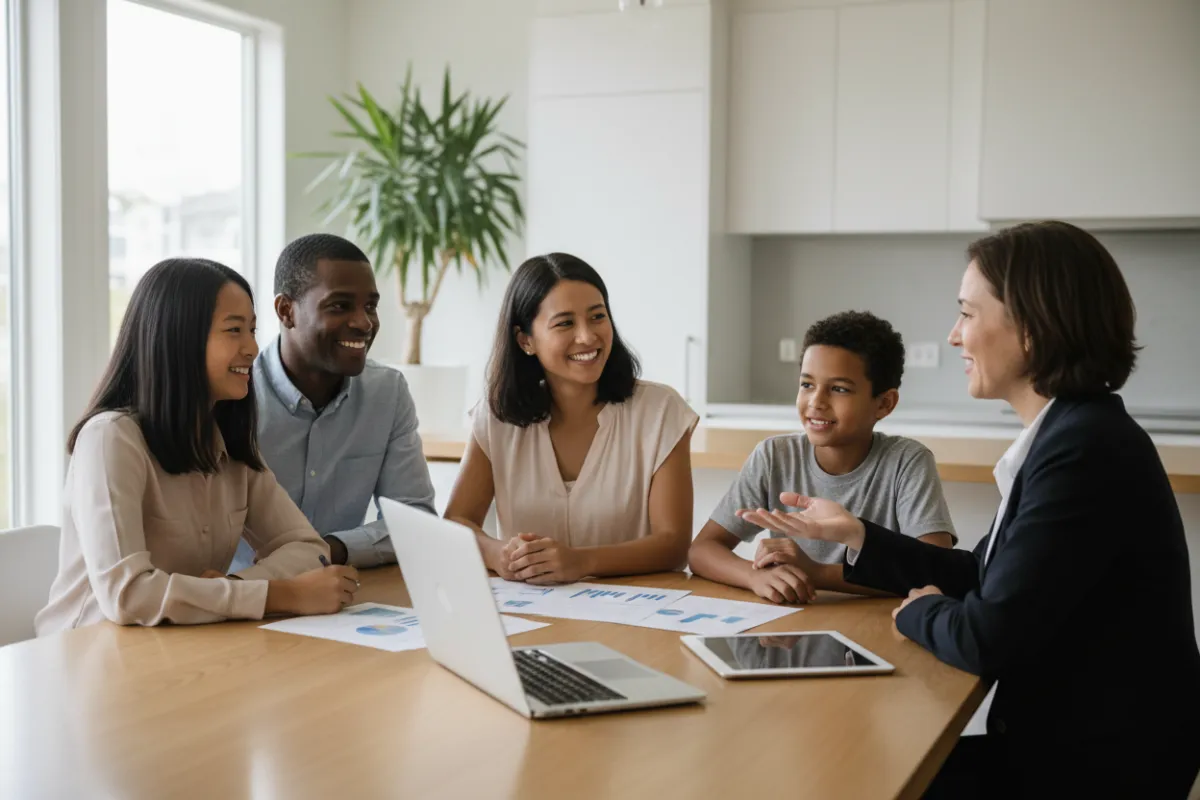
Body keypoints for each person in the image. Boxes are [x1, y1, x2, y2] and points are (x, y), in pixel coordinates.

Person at [737, 222, 1200, 797]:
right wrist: (858, 534)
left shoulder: (1083, 451)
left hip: (1094, 767)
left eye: (967, 313)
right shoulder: (1072, 434)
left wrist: (916, 613)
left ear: (1031, 329)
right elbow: (981, 575)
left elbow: (986, 636)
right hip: (1070, 746)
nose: (955, 336)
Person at [36, 258, 360, 636]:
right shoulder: (111, 438)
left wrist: (237, 589)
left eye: (252, 329)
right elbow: (127, 594)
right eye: (234, 330)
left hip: (181, 648)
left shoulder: (227, 444)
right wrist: (278, 594)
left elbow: (307, 547)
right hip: (88, 657)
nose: (253, 348)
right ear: (178, 338)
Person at [444, 252, 697, 584]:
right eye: (565, 323)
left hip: (633, 617)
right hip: (532, 613)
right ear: (525, 341)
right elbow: (457, 521)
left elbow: (673, 545)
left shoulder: (660, 410)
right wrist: (497, 554)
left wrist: (582, 561)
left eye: (597, 317)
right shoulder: (497, 418)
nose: (588, 336)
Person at [689, 311, 955, 604]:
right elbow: (702, 550)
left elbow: (937, 573)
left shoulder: (907, 462)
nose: (816, 402)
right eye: (807, 385)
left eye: (839, 389)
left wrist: (818, 573)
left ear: (884, 403)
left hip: (874, 629)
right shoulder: (774, 456)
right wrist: (754, 577)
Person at [229, 233, 435, 572]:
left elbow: (416, 524)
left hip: (338, 601)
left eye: (370, 306)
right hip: (240, 601)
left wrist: (328, 550)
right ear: (286, 311)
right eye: (339, 306)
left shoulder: (387, 392)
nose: (364, 322)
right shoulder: (235, 394)